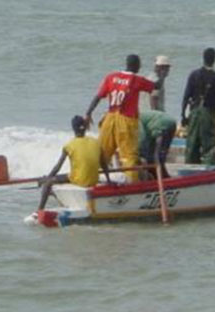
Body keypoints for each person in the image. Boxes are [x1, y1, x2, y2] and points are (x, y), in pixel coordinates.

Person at [84, 54, 163, 183]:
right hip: (126, 121)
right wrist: (161, 74)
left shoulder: (111, 77)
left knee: (103, 153)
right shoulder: (136, 80)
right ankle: (132, 186)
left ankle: (94, 180)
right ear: (136, 66)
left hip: (109, 119)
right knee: (129, 157)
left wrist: (88, 113)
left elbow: (98, 96)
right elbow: (157, 86)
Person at [38, 115, 111, 210]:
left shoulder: (69, 145)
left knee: (48, 183)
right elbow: (104, 164)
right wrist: (108, 180)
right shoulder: (96, 142)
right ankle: (63, 200)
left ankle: (39, 210)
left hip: (79, 181)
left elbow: (57, 167)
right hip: (93, 180)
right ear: (85, 127)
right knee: (64, 176)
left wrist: (48, 178)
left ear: (73, 128)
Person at [181, 48, 215, 165]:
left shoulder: (194, 75)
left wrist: (183, 115)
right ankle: (209, 171)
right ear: (214, 59)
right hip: (209, 115)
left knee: (192, 144)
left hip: (194, 114)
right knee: (209, 146)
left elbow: (186, 96)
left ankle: (190, 169)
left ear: (203, 58)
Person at [138, 110, 177, 180]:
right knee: (161, 155)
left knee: (154, 156)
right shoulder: (144, 116)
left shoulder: (137, 119)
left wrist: (142, 153)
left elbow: (142, 138)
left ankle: (158, 179)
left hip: (160, 126)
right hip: (172, 123)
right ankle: (165, 177)